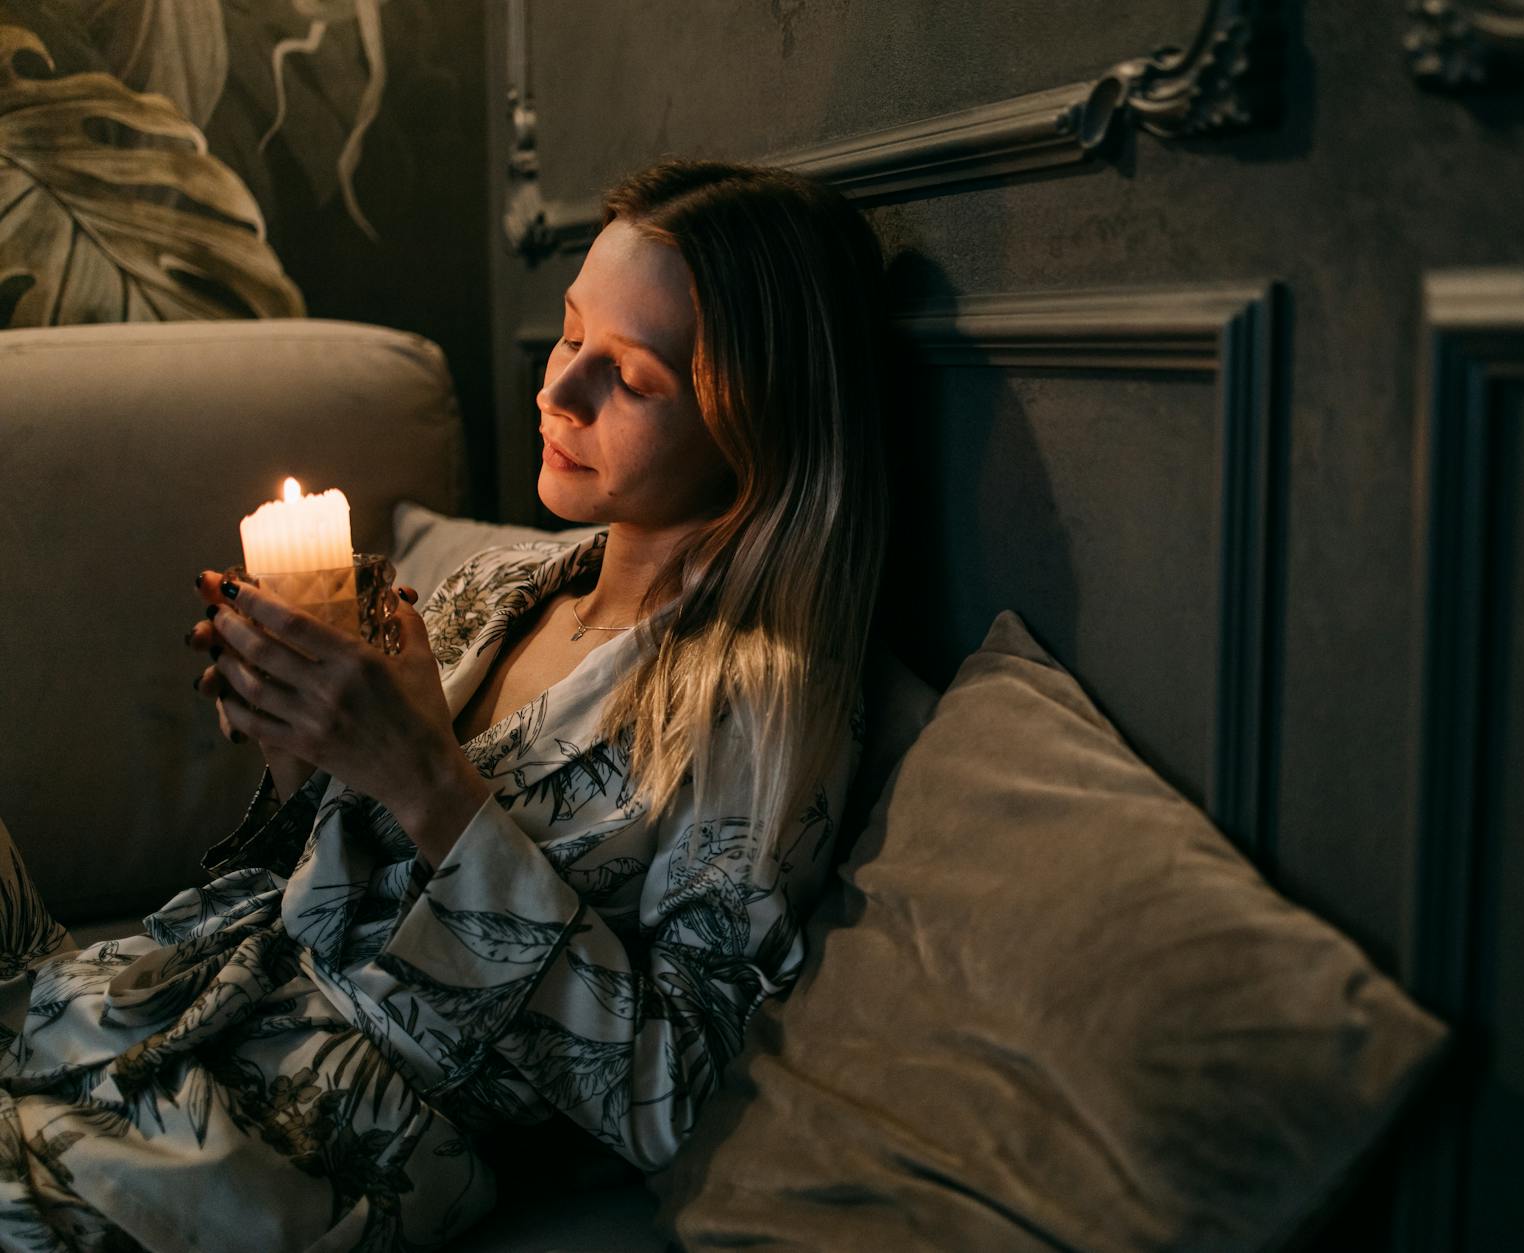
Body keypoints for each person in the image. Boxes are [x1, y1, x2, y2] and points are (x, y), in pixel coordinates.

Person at [0, 157, 889, 1251]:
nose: (557, 393)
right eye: (568, 336)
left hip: (297, 1130)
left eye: (634, 378)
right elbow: (308, 885)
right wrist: (301, 745)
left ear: (756, 426)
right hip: (167, 998)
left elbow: (670, 1097)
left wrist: (424, 779)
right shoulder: (500, 587)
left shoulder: (756, 700)